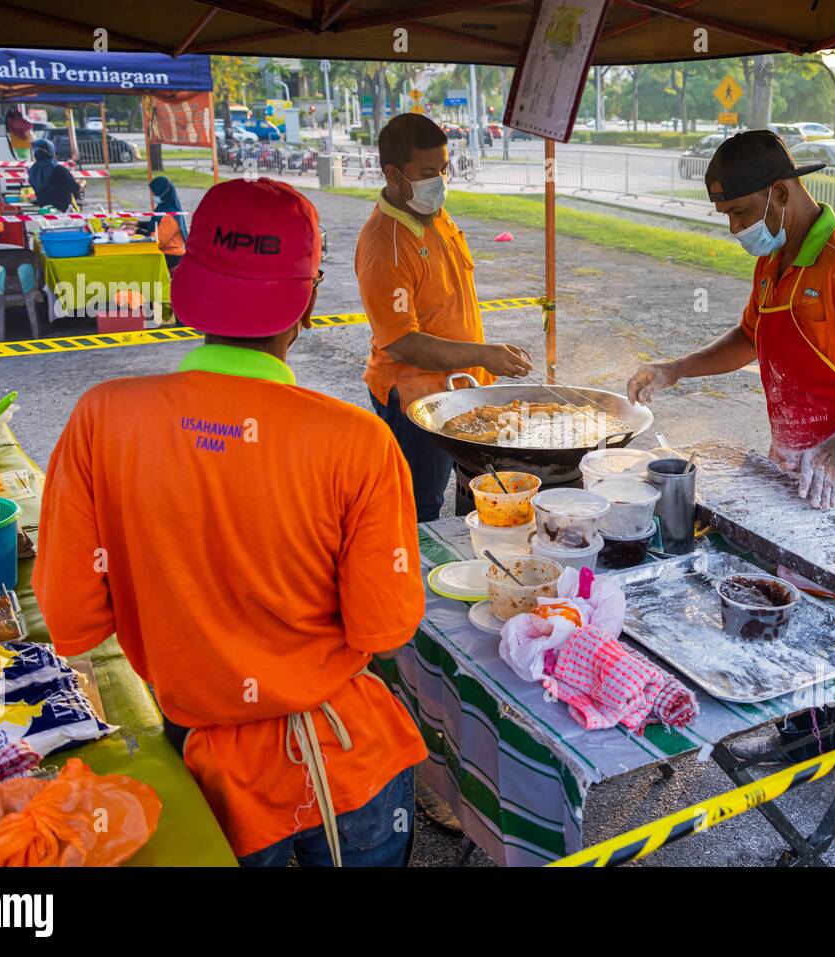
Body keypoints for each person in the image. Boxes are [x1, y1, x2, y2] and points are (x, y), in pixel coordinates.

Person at [34, 178, 427, 867]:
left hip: (209, 773)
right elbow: (384, 630)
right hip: (346, 764)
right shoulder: (358, 443)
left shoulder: (101, 418)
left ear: (192, 284)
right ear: (306, 301)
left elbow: (70, 621)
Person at [626, 130, 835, 848]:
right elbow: (750, 338)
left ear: (780, 191)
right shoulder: (776, 261)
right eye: (727, 219)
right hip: (795, 472)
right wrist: (677, 368)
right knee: (793, 617)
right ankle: (808, 739)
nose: (738, 230)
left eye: (742, 213)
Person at [355, 112, 533, 522]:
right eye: (429, 172)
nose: (440, 181)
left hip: (461, 390)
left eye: (444, 168)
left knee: (477, 491)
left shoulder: (434, 215)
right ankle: (420, 581)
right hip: (416, 401)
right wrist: (484, 354)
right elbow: (401, 341)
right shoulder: (386, 245)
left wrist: (485, 358)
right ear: (394, 175)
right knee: (420, 507)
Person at [140, 175, 187, 271]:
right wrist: (135, 225)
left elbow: (158, 241)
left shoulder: (169, 215)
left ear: (162, 193)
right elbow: (155, 225)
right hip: (165, 252)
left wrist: (138, 232)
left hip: (171, 255)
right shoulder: (164, 208)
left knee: (139, 262)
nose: (153, 196)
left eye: (154, 193)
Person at [27, 137, 80, 212]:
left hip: (44, 211)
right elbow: (75, 188)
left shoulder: (32, 171)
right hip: (63, 211)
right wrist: (81, 184)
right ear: (51, 151)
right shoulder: (59, 169)